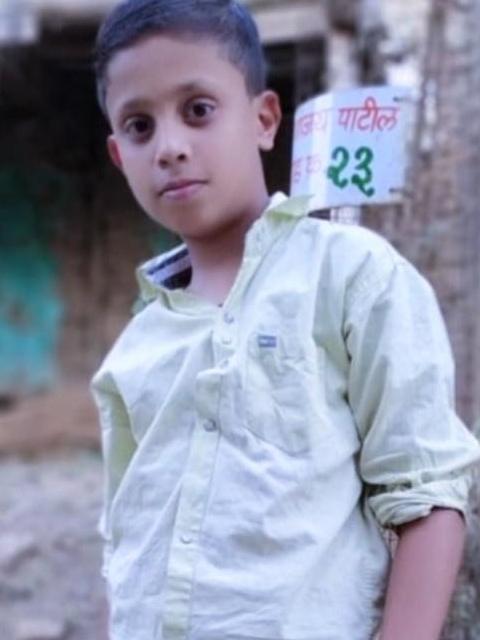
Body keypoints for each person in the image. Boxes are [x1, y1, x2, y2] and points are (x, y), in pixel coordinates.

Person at [90, 1, 480, 638]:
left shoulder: (350, 276)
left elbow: (427, 493)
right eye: (139, 126)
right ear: (118, 154)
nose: (170, 147)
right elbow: (124, 538)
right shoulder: (138, 344)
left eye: (198, 109)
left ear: (264, 119)